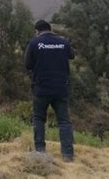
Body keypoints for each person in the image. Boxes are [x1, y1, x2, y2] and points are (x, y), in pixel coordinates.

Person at [24, 20, 75, 162]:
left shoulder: (34, 43)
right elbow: (72, 55)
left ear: (37, 31)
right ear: (50, 29)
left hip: (41, 89)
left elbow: (27, 64)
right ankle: (67, 155)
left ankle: (40, 151)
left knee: (39, 119)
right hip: (61, 88)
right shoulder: (63, 42)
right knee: (64, 121)